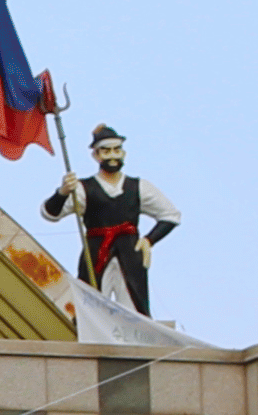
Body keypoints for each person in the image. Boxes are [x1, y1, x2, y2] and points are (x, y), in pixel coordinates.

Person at [37, 123, 182, 314]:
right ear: (96, 155)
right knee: (93, 305)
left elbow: (171, 215)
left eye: (116, 150)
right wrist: (62, 192)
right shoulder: (83, 189)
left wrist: (149, 240)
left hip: (130, 253)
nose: (112, 156)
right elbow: (50, 213)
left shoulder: (138, 187)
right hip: (96, 252)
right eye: (106, 151)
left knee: (133, 306)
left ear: (123, 153)